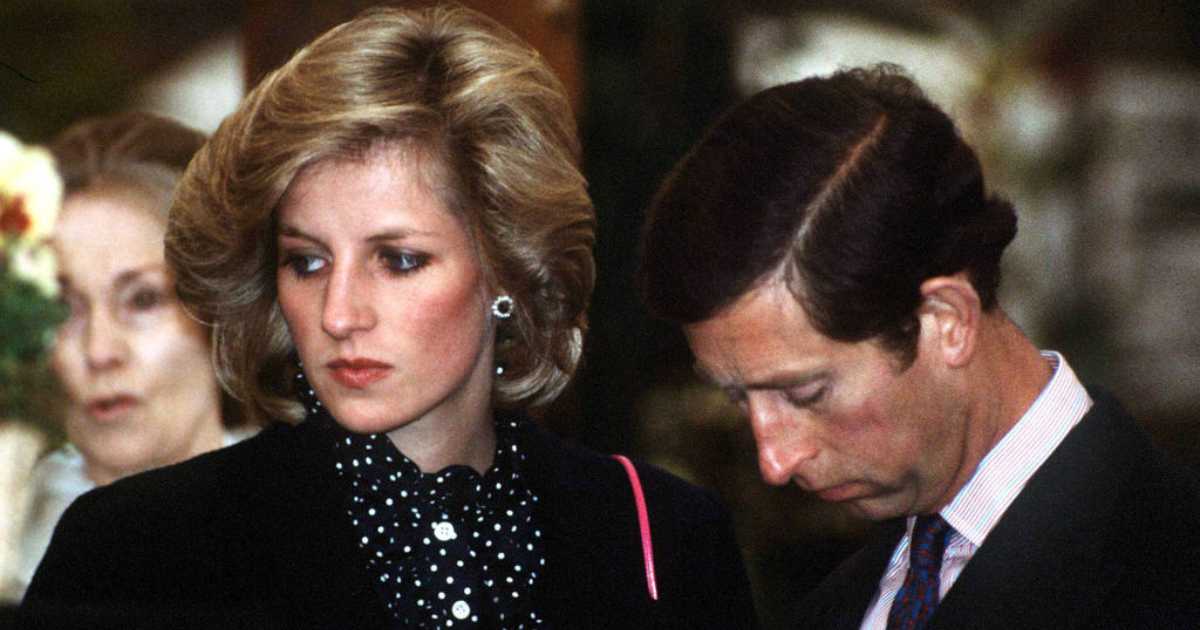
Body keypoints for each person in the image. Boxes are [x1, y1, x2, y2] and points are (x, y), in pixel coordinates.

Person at [20, 6, 757, 628]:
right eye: (306, 262)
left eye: (399, 260)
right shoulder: (135, 550)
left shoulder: (660, 534)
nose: (339, 314)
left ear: (507, 264)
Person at [638, 65, 1200, 628]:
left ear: (947, 320)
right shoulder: (839, 600)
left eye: (806, 394)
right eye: (739, 399)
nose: (775, 462)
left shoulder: (1165, 576)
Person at [5, 112, 253, 601]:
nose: (100, 351)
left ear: (223, 310)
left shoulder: (323, 519)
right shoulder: (14, 550)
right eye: (62, 307)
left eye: (143, 300)